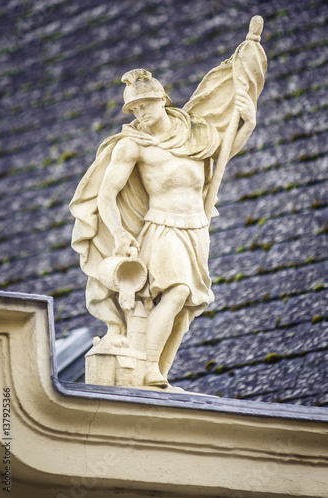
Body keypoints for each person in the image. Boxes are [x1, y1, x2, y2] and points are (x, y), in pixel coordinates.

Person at [70, 67, 259, 388]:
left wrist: (248, 124)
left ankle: (158, 374)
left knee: (186, 308)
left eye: (144, 106)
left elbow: (224, 154)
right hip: (161, 226)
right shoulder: (133, 145)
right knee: (177, 290)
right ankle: (145, 367)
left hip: (196, 228)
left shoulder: (195, 134)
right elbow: (106, 195)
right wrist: (118, 233)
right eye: (134, 109)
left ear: (162, 100)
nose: (140, 114)